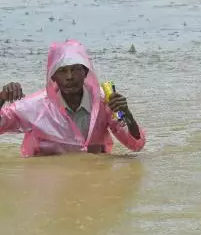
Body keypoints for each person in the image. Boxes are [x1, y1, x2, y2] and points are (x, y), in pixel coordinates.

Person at [0, 39, 146, 157]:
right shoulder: (35, 107)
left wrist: (127, 114)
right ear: (53, 77)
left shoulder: (104, 102)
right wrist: (2, 97)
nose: (69, 77)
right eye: (62, 71)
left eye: (75, 69)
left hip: (93, 179)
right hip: (49, 181)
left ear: (85, 72)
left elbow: (135, 145)